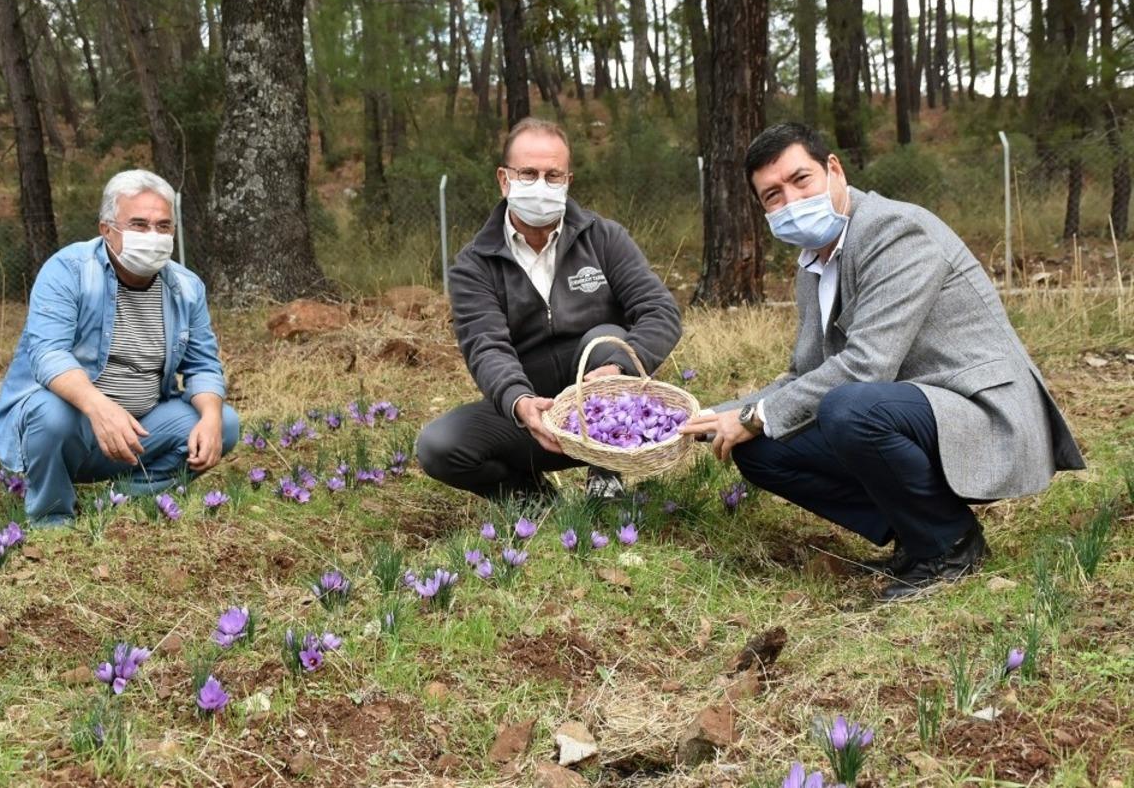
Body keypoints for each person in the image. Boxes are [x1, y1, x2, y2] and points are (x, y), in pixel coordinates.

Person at [680, 123, 1085, 601]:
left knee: (847, 409)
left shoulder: (896, 231)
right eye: (772, 195)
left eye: (801, 180)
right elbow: (804, 374)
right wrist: (717, 413)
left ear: (834, 169)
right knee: (758, 446)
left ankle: (951, 545)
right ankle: (917, 532)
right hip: (908, 410)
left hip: (980, 413)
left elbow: (864, 368)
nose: (790, 202)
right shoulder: (814, 261)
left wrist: (754, 415)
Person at [416, 118, 682, 501]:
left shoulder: (604, 238)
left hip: (604, 411)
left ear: (568, 181)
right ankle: (530, 495)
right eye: (528, 173)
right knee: (439, 445)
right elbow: (487, 346)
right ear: (504, 179)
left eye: (552, 175)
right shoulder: (474, 264)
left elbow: (660, 310)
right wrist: (520, 403)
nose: (541, 185)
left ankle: (606, 471)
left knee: (606, 339)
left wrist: (618, 373)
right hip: (533, 414)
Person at [0, 169, 239, 526]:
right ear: (107, 229)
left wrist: (212, 416)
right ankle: (52, 516)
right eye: (138, 224)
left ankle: (130, 497)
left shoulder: (187, 287)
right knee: (50, 412)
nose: (152, 236)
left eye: (163, 226)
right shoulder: (68, 270)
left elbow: (203, 366)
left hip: (140, 432)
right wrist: (99, 407)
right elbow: (47, 354)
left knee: (224, 423)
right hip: (74, 428)